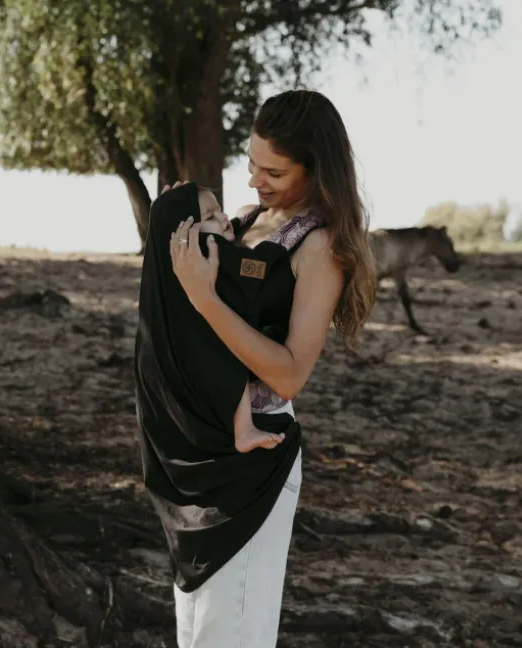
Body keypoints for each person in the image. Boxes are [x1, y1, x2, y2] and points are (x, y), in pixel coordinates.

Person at [133, 89, 377, 648]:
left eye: (274, 171)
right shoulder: (243, 222)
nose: (254, 182)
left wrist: (206, 299)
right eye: (251, 164)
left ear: (315, 170)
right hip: (197, 449)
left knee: (231, 635)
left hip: (253, 460)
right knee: (198, 633)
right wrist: (172, 218)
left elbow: (288, 375)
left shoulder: (320, 247)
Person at [195, 185, 287, 453]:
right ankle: (244, 430)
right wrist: (274, 251)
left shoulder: (189, 253)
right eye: (210, 217)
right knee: (236, 376)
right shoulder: (219, 251)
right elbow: (257, 270)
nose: (223, 217)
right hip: (223, 339)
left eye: (219, 210)